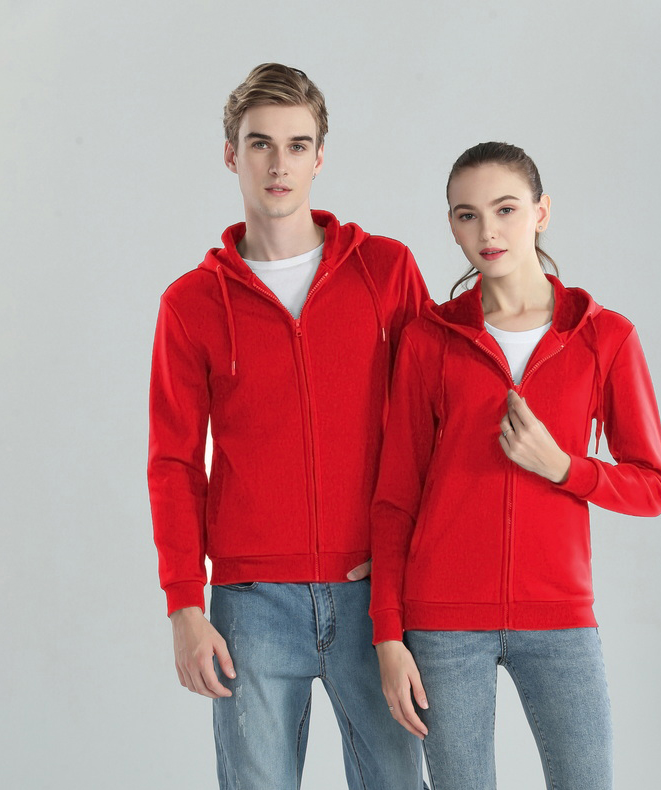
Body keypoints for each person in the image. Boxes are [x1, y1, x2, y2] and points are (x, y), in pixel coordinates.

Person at [147, 63, 428, 789]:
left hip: (374, 597)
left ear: (320, 156)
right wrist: (184, 605)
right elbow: (175, 462)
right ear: (230, 154)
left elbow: (437, 421)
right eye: (260, 143)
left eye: (298, 145)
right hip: (251, 605)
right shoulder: (191, 303)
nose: (279, 163)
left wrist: (408, 560)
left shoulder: (386, 271)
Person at [369, 141, 661, 790]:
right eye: (467, 215)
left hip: (559, 615)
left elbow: (652, 486)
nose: (488, 230)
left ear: (541, 212)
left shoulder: (604, 336)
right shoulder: (429, 340)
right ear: (452, 226)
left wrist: (564, 467)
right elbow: (395, 498)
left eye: (505, 208)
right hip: (443, 621)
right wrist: (388, 634)